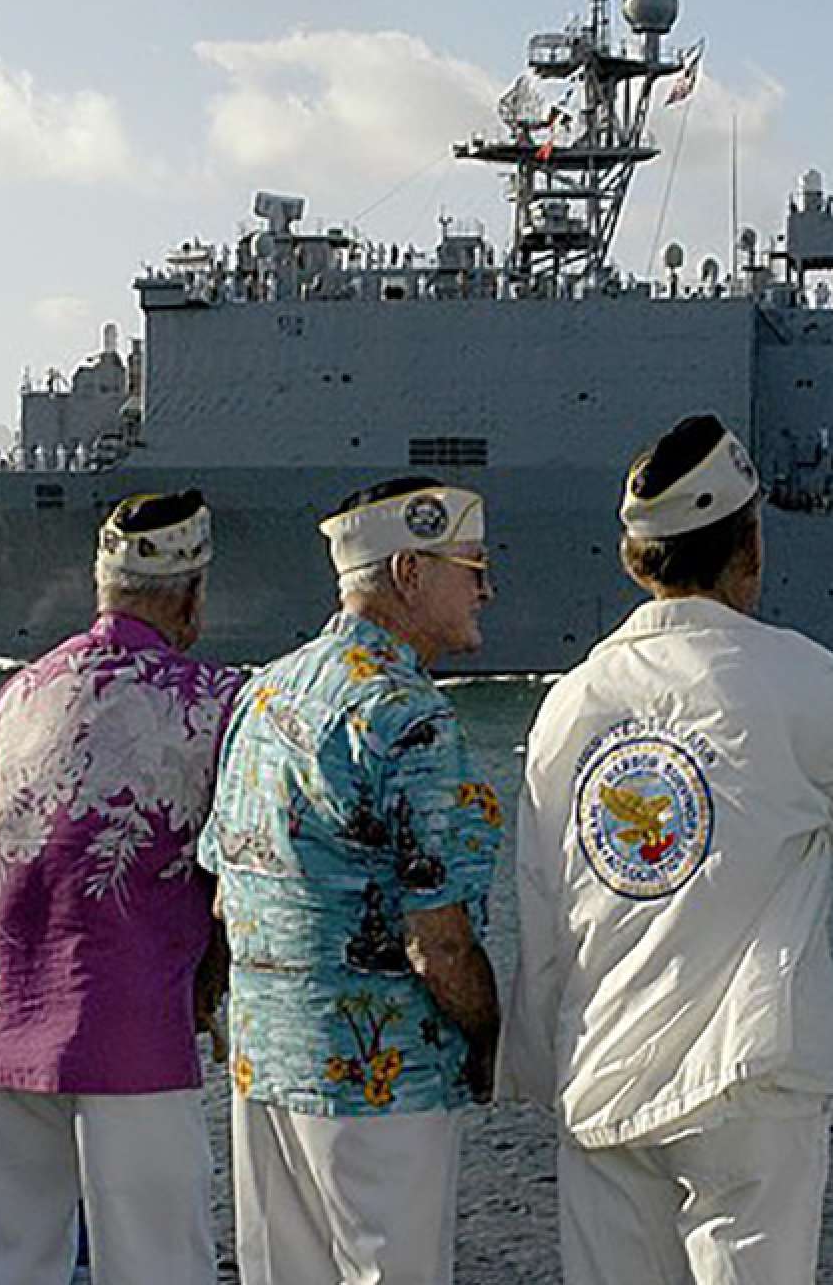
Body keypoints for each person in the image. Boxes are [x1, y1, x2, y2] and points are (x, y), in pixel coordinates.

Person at [500, 415, 833, 1285]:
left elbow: (542, 904)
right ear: (750, 548)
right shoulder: (794, 677)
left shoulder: (570, 701)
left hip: (603, 1081)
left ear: (638, 559)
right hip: (747, 1087)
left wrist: (541, 1069)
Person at [200, 476, 504, 1285]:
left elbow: (226, 888)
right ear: (409, 573)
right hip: (383, 1082)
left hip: (266, 1071)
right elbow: (438, 944)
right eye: (468, 564)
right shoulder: (410, 717)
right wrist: (488, 1037)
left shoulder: (263, 692)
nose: (486, 585)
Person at [0, 490, 243, 1284]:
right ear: (192, 594)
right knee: (158, 1263)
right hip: (132, 1025)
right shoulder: (216, 704)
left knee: (12, 1264)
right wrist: (212, 986)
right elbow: (233, 869)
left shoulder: (16, 695)